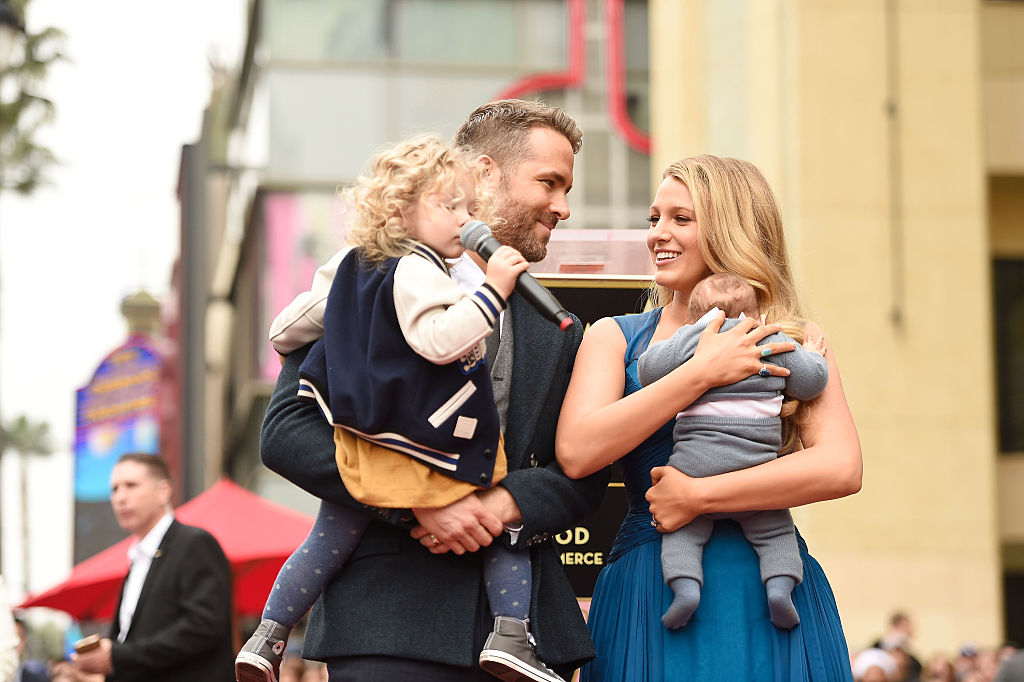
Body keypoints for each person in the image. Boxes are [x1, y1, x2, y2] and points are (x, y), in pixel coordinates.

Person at [259, 98, 608, 681]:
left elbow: (584, 471)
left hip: (522, 640)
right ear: (484, 172)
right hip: (386, 621)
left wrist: (506, 505)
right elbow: (287, 434)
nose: (562, 207)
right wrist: (418, 499)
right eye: (548, 183)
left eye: (566, 189)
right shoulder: (367, 281)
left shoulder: (559, 324)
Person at [556, 154, 862, 680]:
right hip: (652, 586)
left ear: (731, 231)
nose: (658, 233)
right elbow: (577, 452)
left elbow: (841, 468)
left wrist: (698, 496)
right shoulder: (614, 336)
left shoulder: (791, 336)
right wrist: (701, 372)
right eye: (654, 218)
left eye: (681, 218)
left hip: (769, 585)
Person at [636, 272, 828, 630]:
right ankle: (780, 589)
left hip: (693, 469)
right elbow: (811, 382)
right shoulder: (771, 338)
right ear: (754, 314)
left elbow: (648, 371)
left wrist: (684, 339)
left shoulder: (694, 340)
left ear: (696, 317)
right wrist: (814, 355)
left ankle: (685, 588)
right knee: (775, 532)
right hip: (755, 474)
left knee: (682, 531)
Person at [71, 454, 234, 682]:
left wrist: (117, 656)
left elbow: (203, 626)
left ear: (163, 491)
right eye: (114, 489)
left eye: (131, 485)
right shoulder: (137, 558)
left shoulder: (194, 543)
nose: (120, 497)